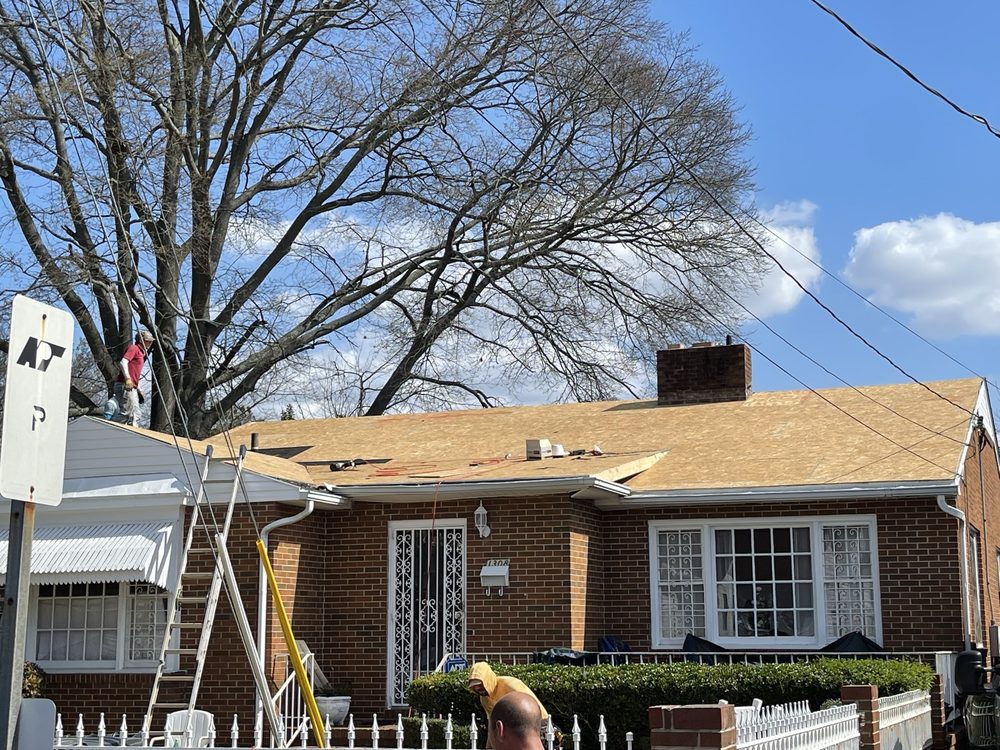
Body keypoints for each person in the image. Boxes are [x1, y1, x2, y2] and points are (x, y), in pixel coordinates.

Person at [468, 662, 549, 722]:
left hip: (538, 721)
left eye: (480, 684)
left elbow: (529, 706)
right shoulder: (484, 699)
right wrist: (489, 745)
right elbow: (492, 723)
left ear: (487, 680)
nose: (477, 688)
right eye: (474, 686)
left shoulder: (510, 684)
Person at [108, 330, 154, 426]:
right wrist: (128, 379)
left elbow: (135, 373)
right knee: (128, 414)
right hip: (125, 385)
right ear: (141, 340)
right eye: (148, 341)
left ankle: (128, 432)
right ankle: (107, 427)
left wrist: (139, 388)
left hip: (131, 386)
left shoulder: (141, 353)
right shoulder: (134, 348)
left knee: (135, 413)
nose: (150, 343)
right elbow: (123, 362)